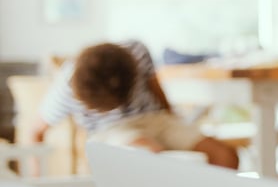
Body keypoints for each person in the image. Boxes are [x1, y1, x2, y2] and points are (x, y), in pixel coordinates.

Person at [35, 40, 239, 168]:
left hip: (158, 119)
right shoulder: (67, 85)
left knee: (224, 155)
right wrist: (35, 180)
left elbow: (158, 92)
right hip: (111, 130)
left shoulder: (137, 52)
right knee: (150, 158)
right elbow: (36, 131)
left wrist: (175, 121)